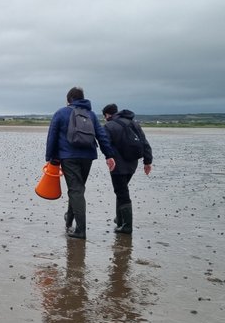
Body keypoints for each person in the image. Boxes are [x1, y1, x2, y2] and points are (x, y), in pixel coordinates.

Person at [45, 86, 116, 239]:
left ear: (68, 99)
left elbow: (52, 136)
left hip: (68, 156)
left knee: (76, 190)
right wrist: (109, 155)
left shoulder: (61, 112)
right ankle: (69, 219)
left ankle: (81, 230)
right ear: (82, 98)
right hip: (88, 157)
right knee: (77, 188)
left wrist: (49, 158)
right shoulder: (90, 114)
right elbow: (101, 135)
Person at [102, 104, 154, 236]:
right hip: (132, 164)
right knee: (121, 191)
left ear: (107, 115)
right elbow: (145, 143)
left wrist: (108, 157)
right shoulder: (134, 123)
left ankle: (127, 226)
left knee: (122, 193)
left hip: (117, 165)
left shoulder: (109, 126)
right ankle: (120, 219)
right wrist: (147, 161)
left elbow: (105, 144)